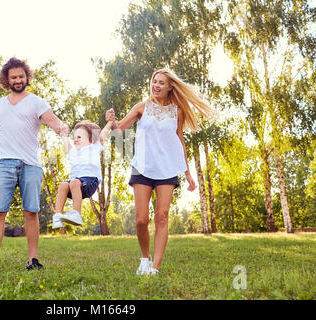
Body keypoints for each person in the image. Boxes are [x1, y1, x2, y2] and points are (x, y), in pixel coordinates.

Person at [106, 68, 213, 275]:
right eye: (154, 81)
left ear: (170, 86)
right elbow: (119, 130)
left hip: (167, 170)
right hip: (143, 168)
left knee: (162, 217)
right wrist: (111, 120)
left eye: (161, 82)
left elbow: (179, 140)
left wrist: (187, 173)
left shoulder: (177, 111)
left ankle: (155, 267)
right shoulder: (141, 107)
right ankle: (145, 258)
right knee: (141, 219)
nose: (156, 85)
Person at [0, 57, 69, 270]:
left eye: (21, 76)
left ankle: (33, 260)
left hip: (31, 164)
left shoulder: (37, 102)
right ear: (7, 79)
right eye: (14, 77)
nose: (18, 80)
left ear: (27, 77)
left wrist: (67, 133)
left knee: (31, 211)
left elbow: (54, 121)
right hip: (3, 164)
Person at [52, 120, 113, 229]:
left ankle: (76, 214)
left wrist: (109, 123)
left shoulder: (94, 147)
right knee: (63, 185)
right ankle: (57, 216)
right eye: (75, 137)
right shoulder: (73, 152)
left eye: (79, 137)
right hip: (75, 185)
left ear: (91, 140)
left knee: (74, 182)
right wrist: (63, 135)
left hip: (90, 181)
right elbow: (66, 142)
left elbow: (103, 134)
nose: (75, 140)